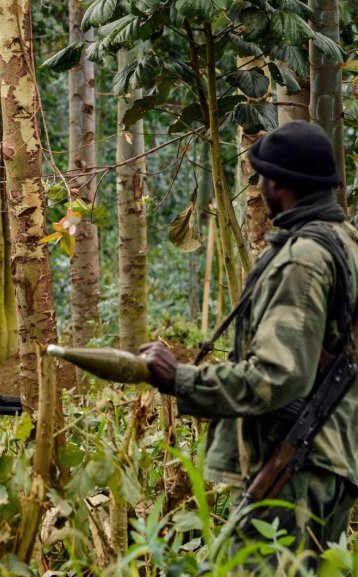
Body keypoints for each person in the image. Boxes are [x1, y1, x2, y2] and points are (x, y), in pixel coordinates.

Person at [140, 121, 358, 561]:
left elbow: (278, 377)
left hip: (298, 466)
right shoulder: (347, 242)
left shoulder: (304, 261)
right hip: (332, 461)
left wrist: (182, 379)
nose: (257, 186)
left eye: (260, 176)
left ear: (278, 183)